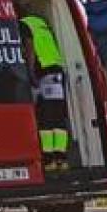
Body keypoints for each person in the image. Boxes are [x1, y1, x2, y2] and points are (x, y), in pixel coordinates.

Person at [19, 11, 72, 173]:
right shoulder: (39, 20)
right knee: (58, 116)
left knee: (45, 117)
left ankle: (48, 159)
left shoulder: (23, 24)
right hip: (56, 72)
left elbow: (30, 49)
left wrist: (30, 72)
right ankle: (61, 158)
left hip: (44, 74)